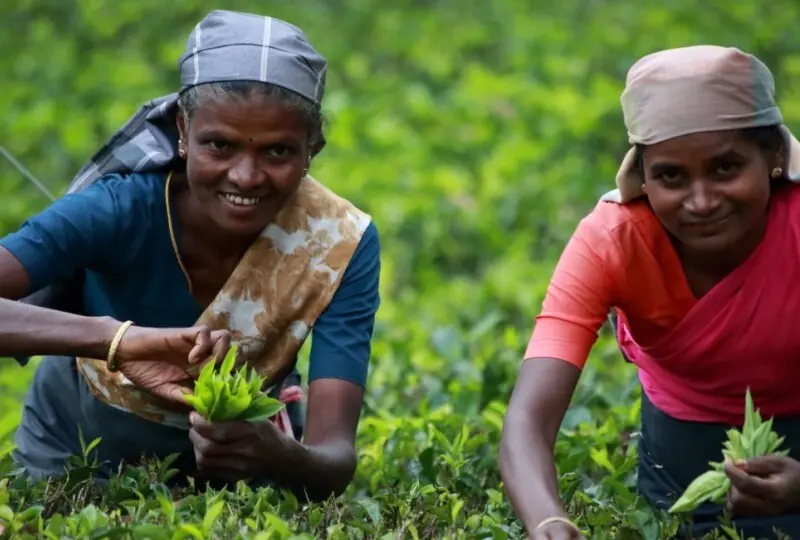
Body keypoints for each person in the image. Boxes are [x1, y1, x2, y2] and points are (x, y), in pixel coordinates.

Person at [0, 9, 380, 502]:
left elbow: (332, 460)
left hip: (243, 476)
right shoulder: (119, 209)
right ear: (182, 130)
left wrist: (278, 455)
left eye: (278, 152)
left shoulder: (338, 243)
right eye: (218, 145)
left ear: (313, 149)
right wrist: (118, 341)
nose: (245, 176)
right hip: (74, 454)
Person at [500, 45, 800, 539]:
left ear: (772, 155)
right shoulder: (612, 242)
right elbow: (527, 421)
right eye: (671, 177)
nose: (701, 201)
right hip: (683, 450)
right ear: (642, 176)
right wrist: (549, 523)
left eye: (725, 168)